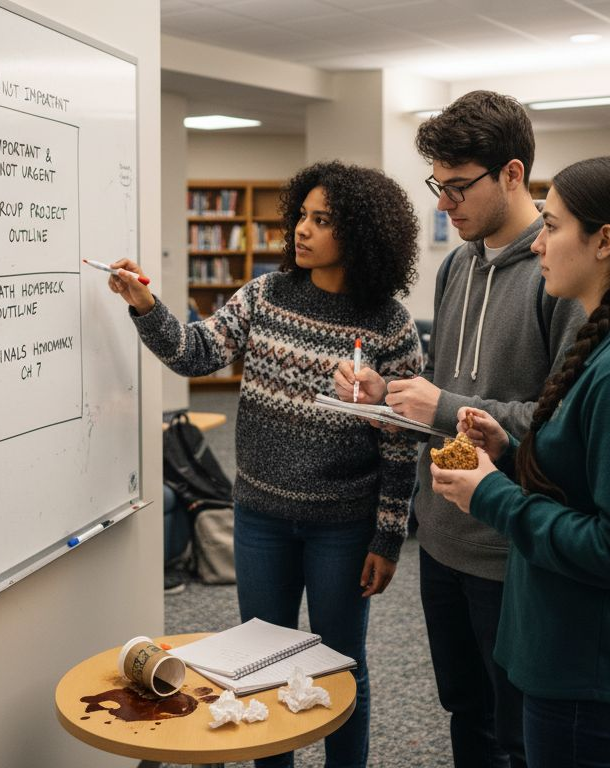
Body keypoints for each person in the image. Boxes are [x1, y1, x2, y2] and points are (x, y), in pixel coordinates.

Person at [107, 160, 423, 768]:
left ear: (358, 233)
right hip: (260, 520)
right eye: (302, 215)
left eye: (322, 220)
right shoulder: (265, 294)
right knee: (259, 666)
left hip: (343, 527)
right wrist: (146, 305)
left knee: (339, 670)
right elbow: (196, 353)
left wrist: (387, 536)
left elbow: (399, 442)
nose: (303, 230)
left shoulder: (390, 326)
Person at [430, 155, 610, 768]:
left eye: (551, 227)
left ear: (604, 241)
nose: (537, 246)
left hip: (591, 667)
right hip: (564, 647)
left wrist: (489, 496)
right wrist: (512, 450)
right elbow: (586, 475)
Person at [336, 90, 583, 768]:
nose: (443, 203)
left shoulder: (558, 272)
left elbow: (558, 425)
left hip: (508, 549)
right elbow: (446, 392)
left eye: (456, 187)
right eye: (436, 185)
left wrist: (440, 404)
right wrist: (386, 395)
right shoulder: (456, 265)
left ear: (511, 174)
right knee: (464, 714)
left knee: (516, 731)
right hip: (439, 539)